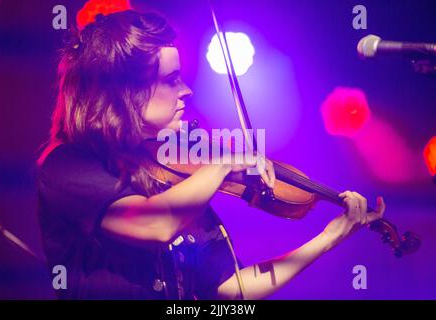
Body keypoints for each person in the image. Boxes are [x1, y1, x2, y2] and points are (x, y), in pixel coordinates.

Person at [37, 6, 386, 300]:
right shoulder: (68, 166)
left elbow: (231, 290)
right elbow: (155, 222)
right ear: (125, 89)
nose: (186, 91)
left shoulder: (171, 176)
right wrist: (220, 165)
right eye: (171, 80)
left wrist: (329, 238)